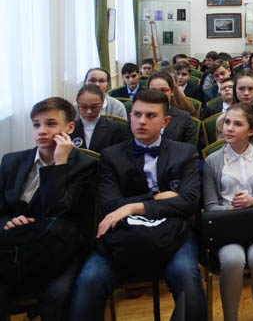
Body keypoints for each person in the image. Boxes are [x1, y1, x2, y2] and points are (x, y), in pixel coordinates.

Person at [69, 89, 206, 321]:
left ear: (165, 121)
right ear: (130, 116)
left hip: (174, 234)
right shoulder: (111, 156)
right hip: (122, 235)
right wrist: (155, 198)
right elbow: (109, 206)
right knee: (88, 283)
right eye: (137, 114)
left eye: (150, 116)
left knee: (190, 288)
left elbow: (190, 202)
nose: (141, 121)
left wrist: (131, 207)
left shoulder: (184, 153)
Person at [0, 98, 97, 321]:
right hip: (14, 246)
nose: (41, 131)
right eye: (36, 124)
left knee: (56, 294)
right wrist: (8, 222)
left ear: (69, 128)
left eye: (50, 124)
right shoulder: (12, 162)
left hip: (57, 249)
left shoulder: (85, 166)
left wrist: (59, 164)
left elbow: (59, 210)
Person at [203, 103, 253, 321]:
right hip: (227, 227)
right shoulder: (212, 161)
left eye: (237, 124)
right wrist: (231, 208)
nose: (229, 128)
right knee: (232, 260)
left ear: (251, 130)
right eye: (227, 122)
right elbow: (210, 206)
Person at [215, 70, 253, 140]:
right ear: (235, 90)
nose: (246, 93)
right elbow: (222, 145)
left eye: (251, 89)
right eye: (241, 89)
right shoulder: (222, 119)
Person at [72, 84, 130, 152]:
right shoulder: (69, 128)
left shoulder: (115, 129)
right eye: (84, 107)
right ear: (78, 105)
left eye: (94, 107)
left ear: (102, 104)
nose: (89, 111)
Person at [147, 71, 197, 145]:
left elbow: (189, 149)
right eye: (153, 91)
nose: (158, 95)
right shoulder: (137, 116)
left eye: (163, 90)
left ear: (172, 91)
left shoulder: (184, 118)